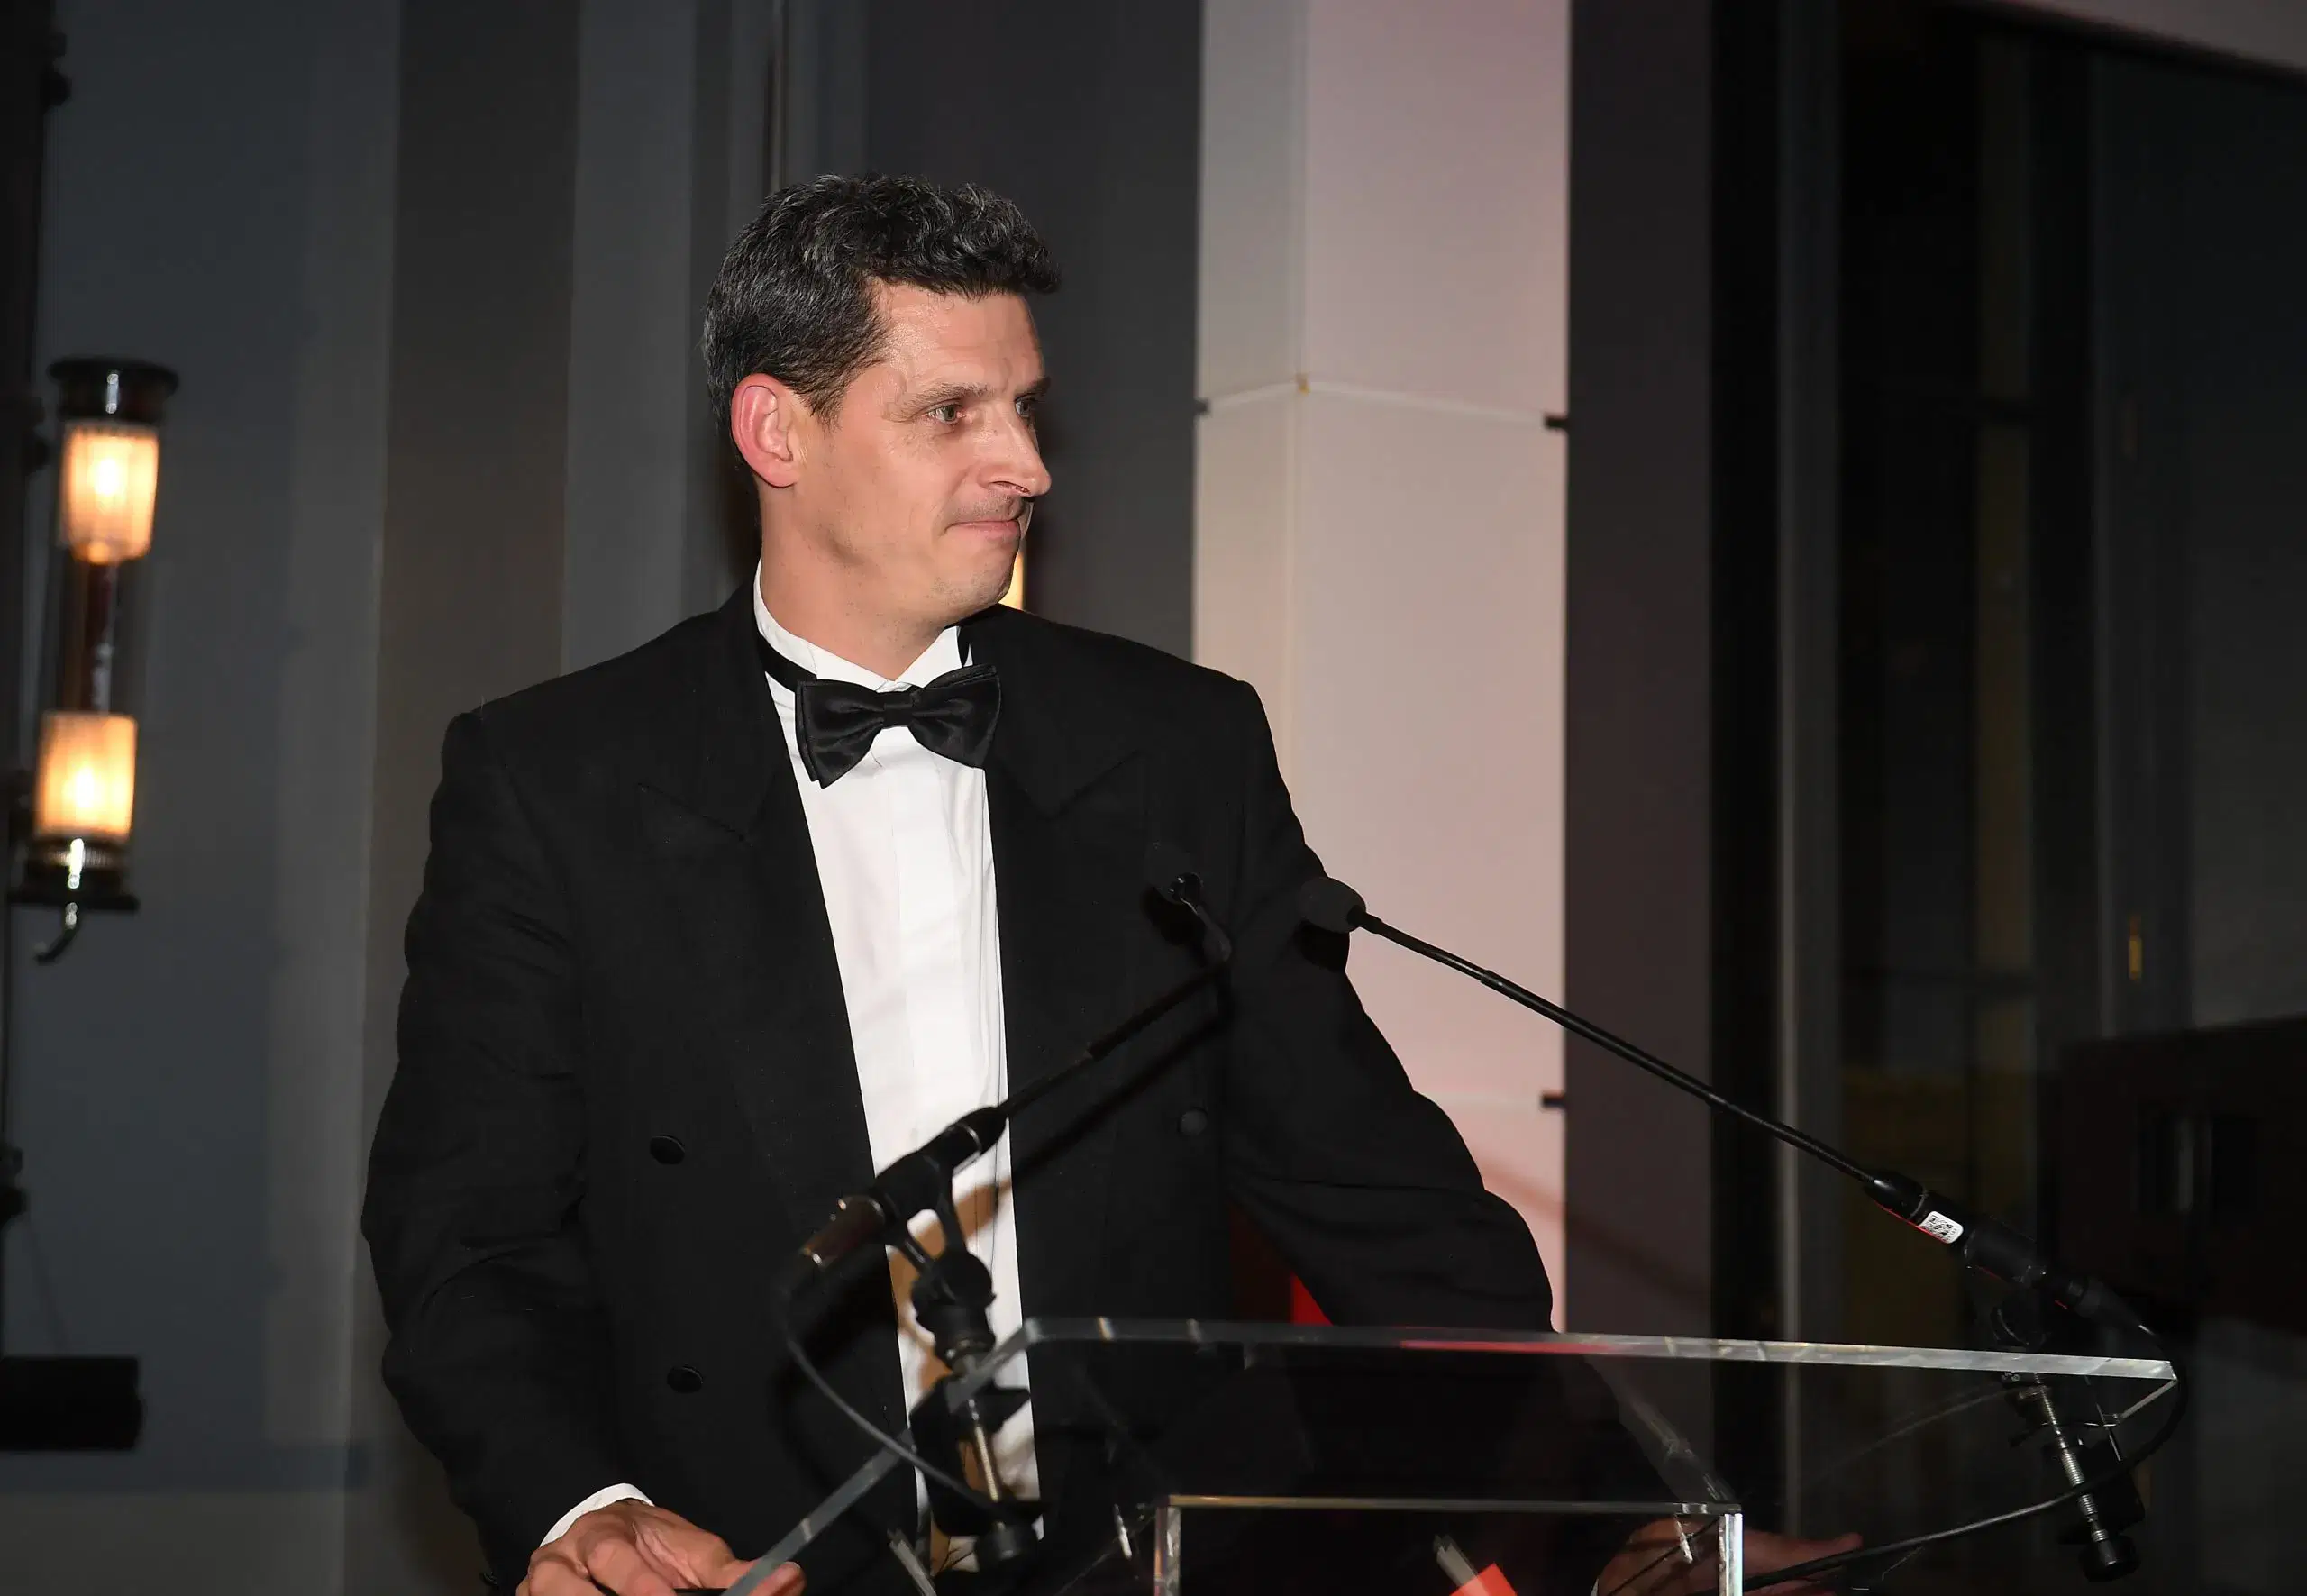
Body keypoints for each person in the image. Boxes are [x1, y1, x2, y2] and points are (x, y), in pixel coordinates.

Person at [363, 175, 1849, 1596]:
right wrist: (585, 1506)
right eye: (952, 411)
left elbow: (1381, 1201)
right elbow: (468, 1238)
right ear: (778, 430)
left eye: (1026, 406)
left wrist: (1625, 1525)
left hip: (1144, 1559)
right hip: (747, 1557)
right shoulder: (556, 781)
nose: (1026, 463)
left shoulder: (1176, 747)